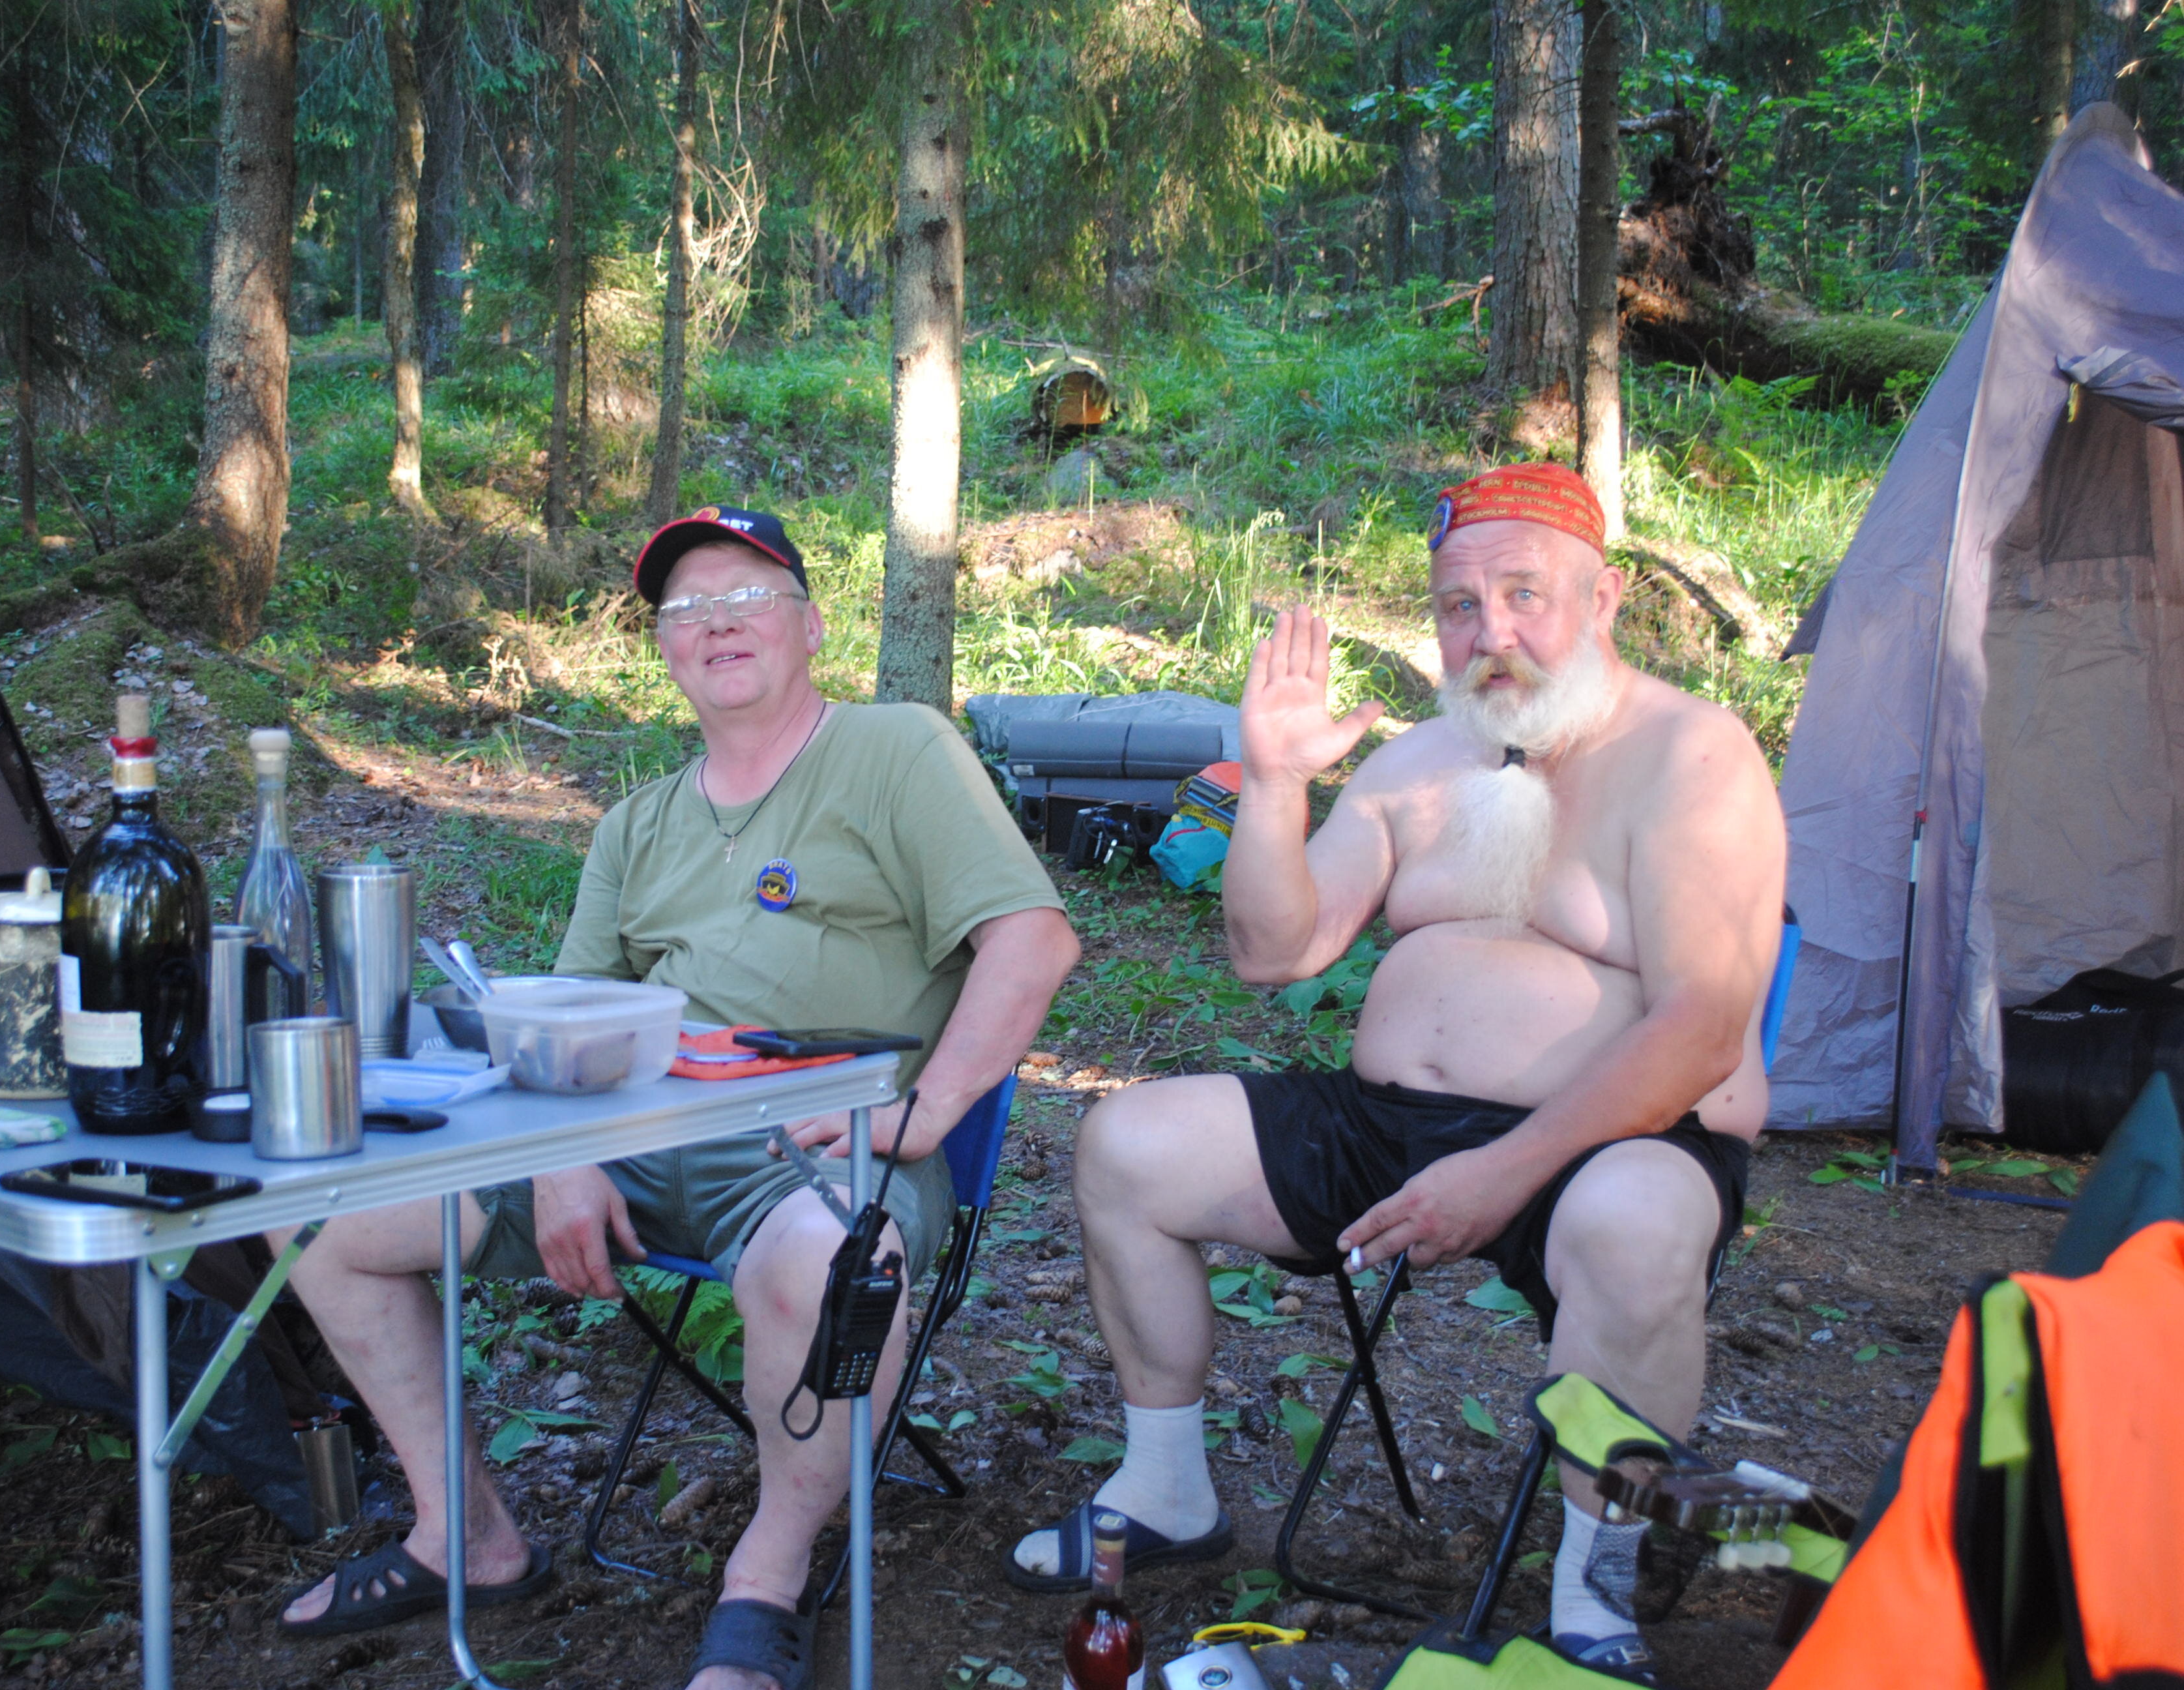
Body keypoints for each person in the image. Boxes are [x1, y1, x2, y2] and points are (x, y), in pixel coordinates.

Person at [276, 507, 1080, 1690]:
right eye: (687, 608)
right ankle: (467, 1536)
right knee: (320, 1216)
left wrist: (928, 1112)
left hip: (821, 1143)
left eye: (747, 594)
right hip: (635, 1144)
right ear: (662, 647)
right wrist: (562, 1158)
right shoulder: (635, 824)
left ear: (811, 625)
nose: (717, 623)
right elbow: (558, 1029)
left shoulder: (897, 750)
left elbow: (1033, 942)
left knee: (831, 1262)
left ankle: (767, 1577)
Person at [1007, 464, 1784, 1680]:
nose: (1492, 632)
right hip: (1392, 1127)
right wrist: (1274, 782)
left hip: (1625, 1139)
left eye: (1524, 594)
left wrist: (1504, 1171)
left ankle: (1600, 1583)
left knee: (1633, 1224)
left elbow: (1702, 1029)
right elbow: (1274, 952)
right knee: (1130, 1145)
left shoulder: (1691, 755)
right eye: (1460, 605)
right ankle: (1165, 1489)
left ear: (1604, 600)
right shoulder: (1423, 761)